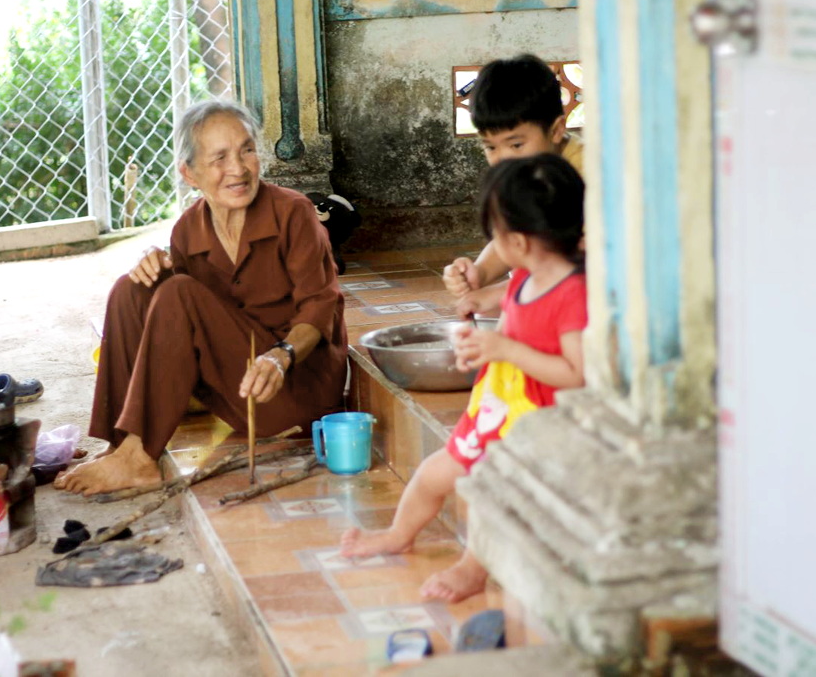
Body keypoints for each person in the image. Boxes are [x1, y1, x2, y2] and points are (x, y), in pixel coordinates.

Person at [56, 99, 347, 496]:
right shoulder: (188, 231)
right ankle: (122, 443)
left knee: (179, 292)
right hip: (236, 390)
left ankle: (140, 459)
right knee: (132, 288)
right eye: (220, 158)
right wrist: (150, 262)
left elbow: (320, 305)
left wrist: (280, 357)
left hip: (295, 390)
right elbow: (182, 319)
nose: (238, 168)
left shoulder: (294, 213)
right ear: (189, 174)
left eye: (246, 149)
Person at [341, 153, 587, 602]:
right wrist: (471, 295)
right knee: (435, 473)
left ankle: (474, 567)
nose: (492, 241)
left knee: (485, 490)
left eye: (495, 231)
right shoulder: (526, 277)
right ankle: (400, 533)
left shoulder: (572, 294)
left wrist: (506, 349)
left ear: (520, 240)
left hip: (533, 425)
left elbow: (577, 374)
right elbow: (495, 298)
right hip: (496, 409)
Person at [443, 54, 583, 315]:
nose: (503, 158)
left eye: (516, 144)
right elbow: (513, 237)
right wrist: (480, 273)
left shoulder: (585, 177)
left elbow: (584, 266)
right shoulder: (521, 171)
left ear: (555, 130)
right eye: (490, 146)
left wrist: (499, 294)